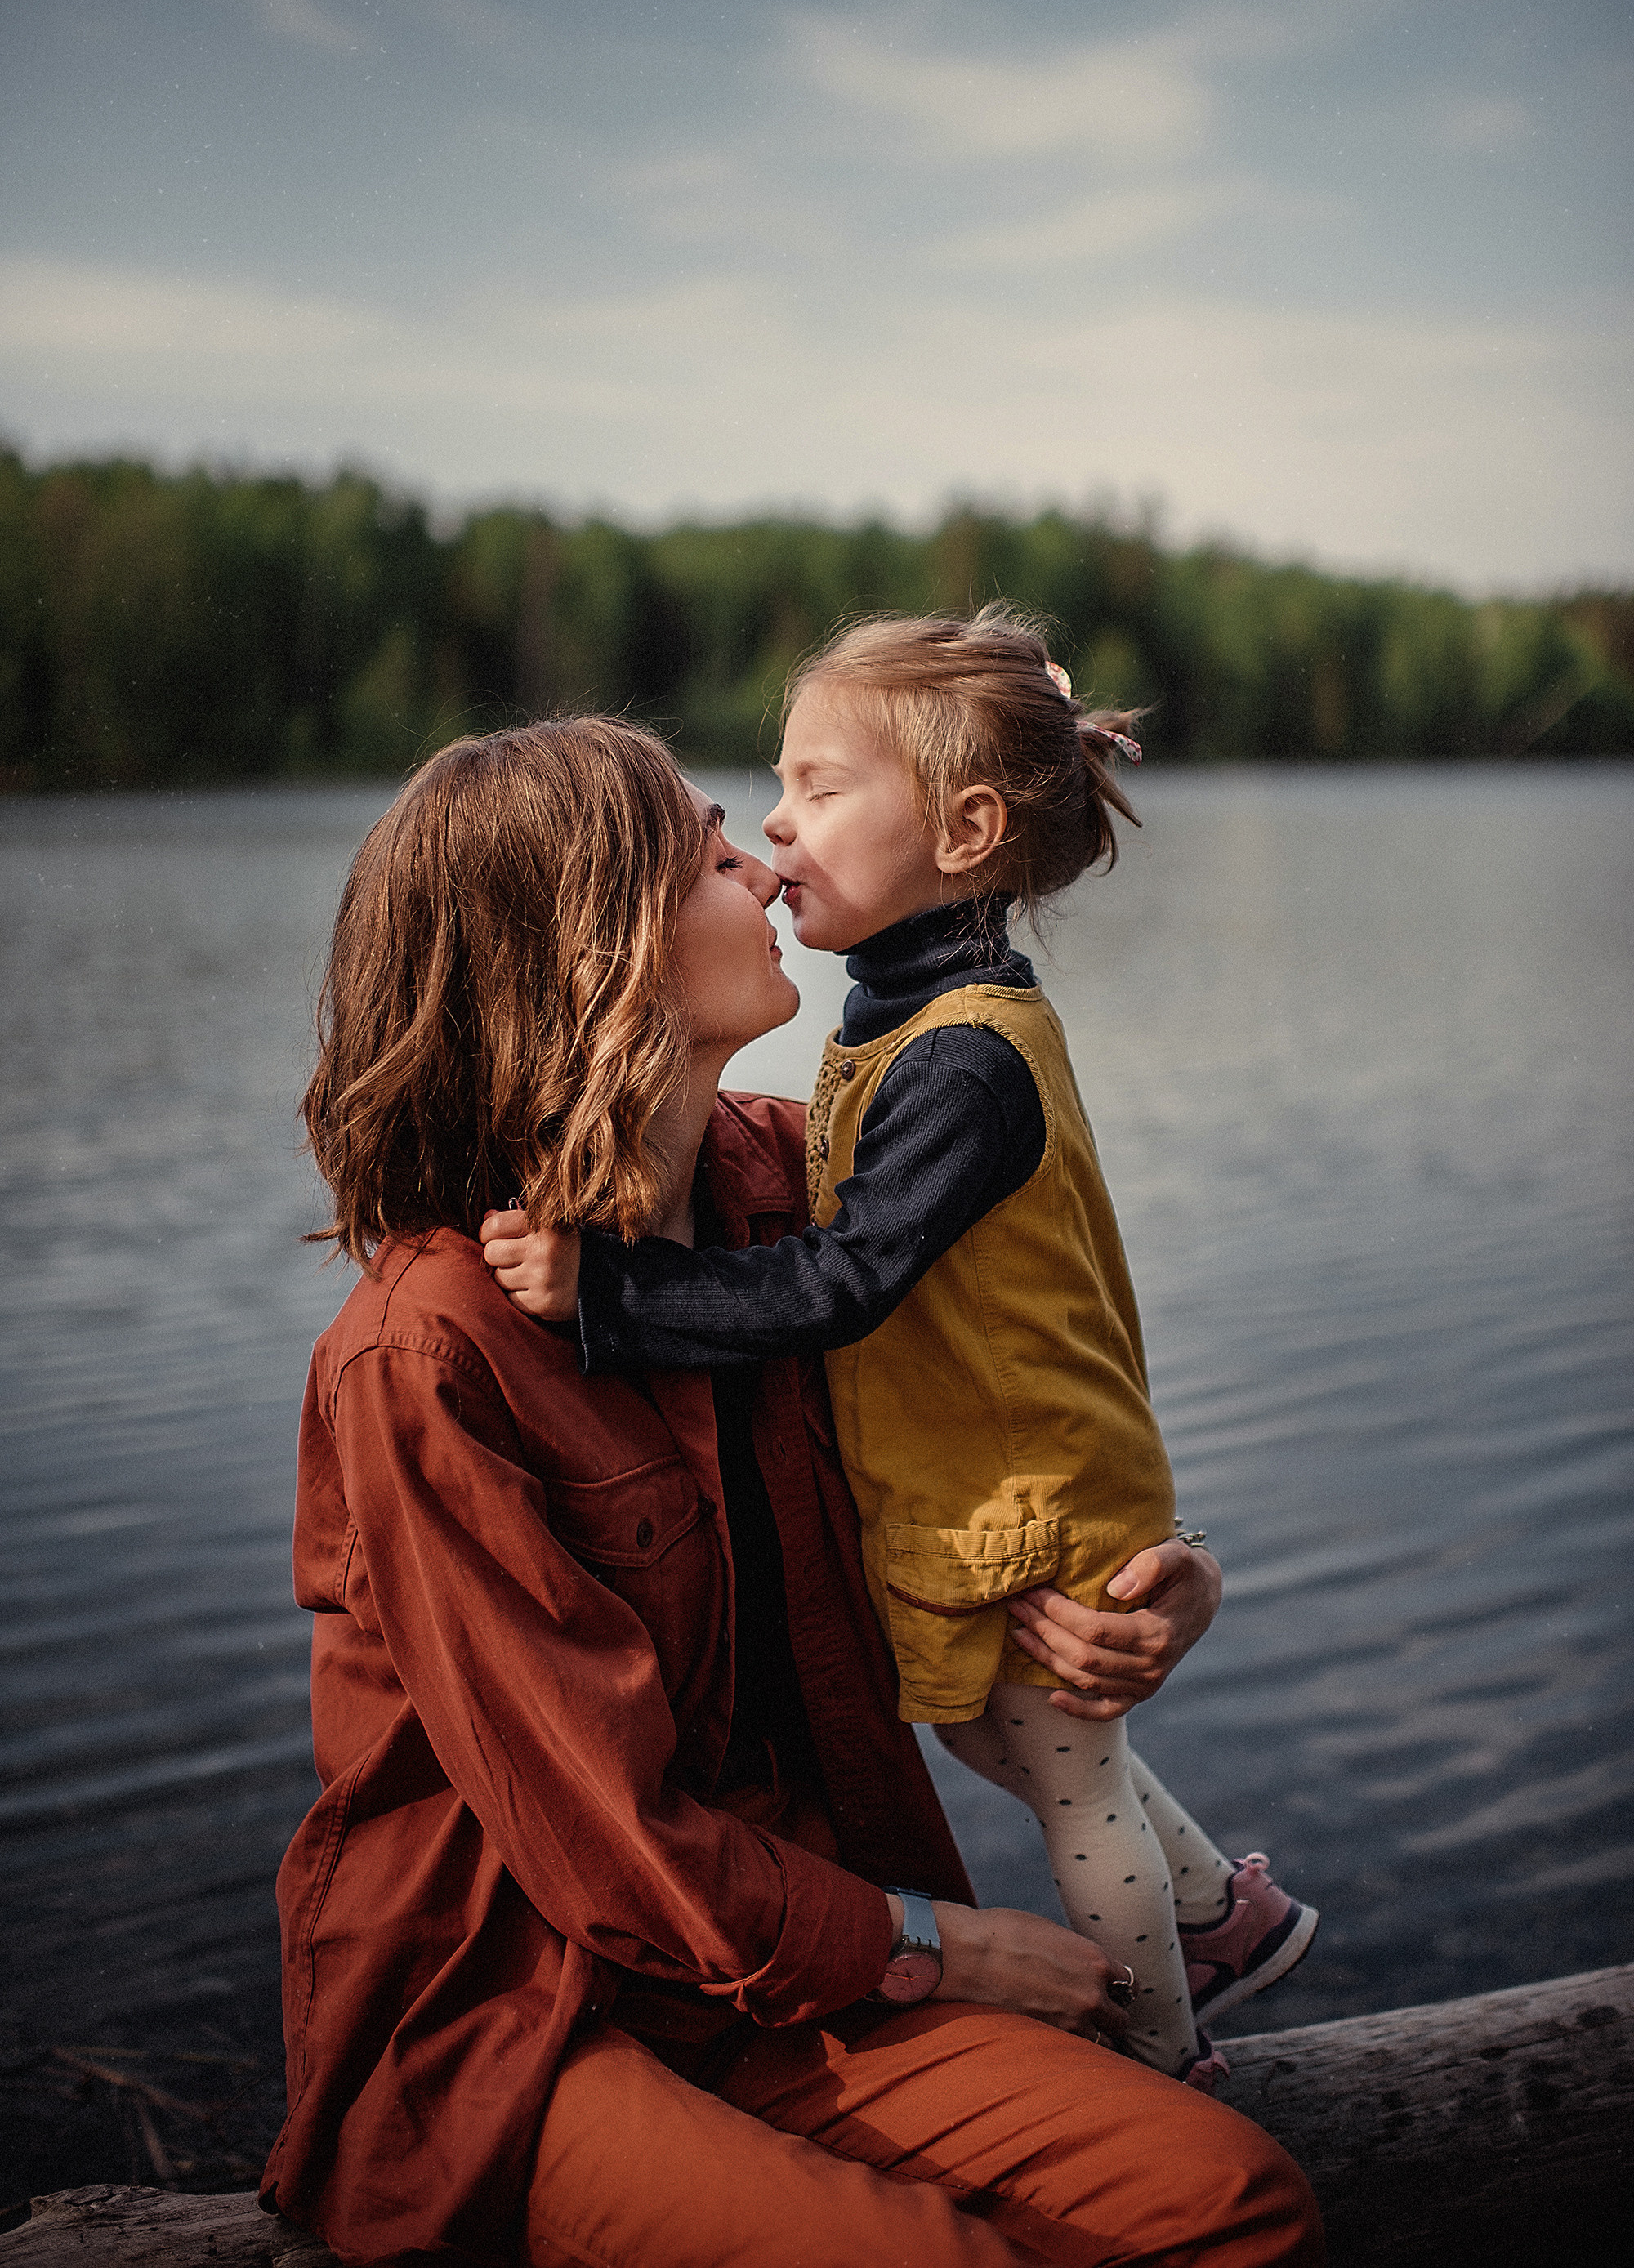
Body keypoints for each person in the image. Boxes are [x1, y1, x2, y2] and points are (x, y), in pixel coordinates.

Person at [265, 716, 1323, 2266]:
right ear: (591, 956)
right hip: (533, 2021)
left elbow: (1025, 1386)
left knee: (1233, 2206)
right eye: (707, 856)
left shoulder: (803, 1198)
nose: (765, 871)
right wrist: (937, 1947)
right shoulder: (429, 1355)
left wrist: (1168, 1571)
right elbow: (600, 1839)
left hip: (800, 1963)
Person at [481, 612, 1317, 2087]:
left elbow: (843, 1279)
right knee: (1024, 1752)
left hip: (1024, 1505)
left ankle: (1166, 2052)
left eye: (812, 790)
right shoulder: (905, 1037)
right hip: (999, 1490)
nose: (776, 833)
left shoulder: (964, 1057)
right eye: (758, 807)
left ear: (965, 828)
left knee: (1069, 1784)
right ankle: (1219, 1920)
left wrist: (610, 1301)